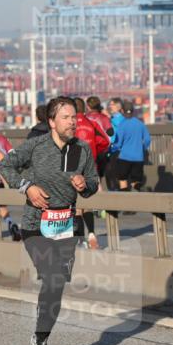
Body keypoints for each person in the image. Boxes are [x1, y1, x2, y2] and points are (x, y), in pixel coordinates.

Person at [0, 97, 100, 345]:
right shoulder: (35, 146)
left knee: (55, 285)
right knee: (53, 279)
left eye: (74, 117)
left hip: (67, 225)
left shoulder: (83, 150)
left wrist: (84, 184)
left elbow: (93, 184)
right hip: (35, 224)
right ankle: (40, 344)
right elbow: (4, 166)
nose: (73, 122)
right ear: (52, 122)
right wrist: (27, 186)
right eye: (66, 117)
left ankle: (39, 343)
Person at [73, 98, 111, 248]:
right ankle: (92, 234)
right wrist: (95, 152)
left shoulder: (70, 125)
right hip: (91, 166)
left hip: (74, 167)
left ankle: (81, 238)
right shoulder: (91, 123)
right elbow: (105, 141)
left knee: (77, 205)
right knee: (87, 202)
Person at [111, 101, 151, 192]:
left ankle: (124, 201)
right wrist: (142, 148)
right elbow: (147, 140)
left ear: (122, 111)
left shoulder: (122, 124)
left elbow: (118, 143)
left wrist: (113, 148)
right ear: (133, 111)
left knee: (122, 179)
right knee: (135, 180)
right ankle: (137, 188)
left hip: (124, 157)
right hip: (138, 158)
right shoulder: (140, 124)